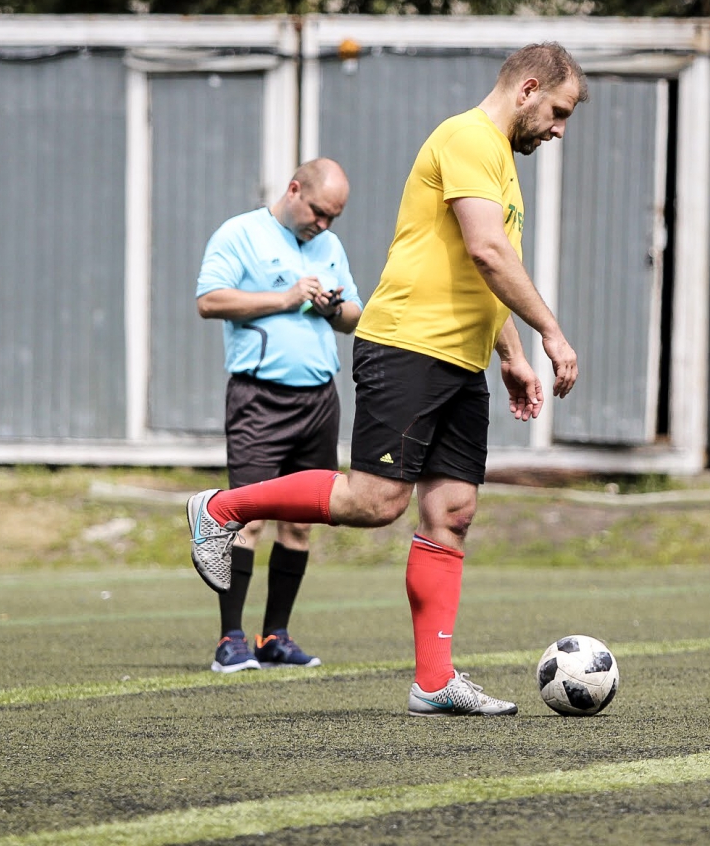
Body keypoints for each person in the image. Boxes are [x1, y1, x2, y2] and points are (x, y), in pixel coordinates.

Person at [185, 42, 585, 715]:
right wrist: (550, 330)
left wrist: (509, 353)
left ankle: (434, 679)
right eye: (559, 111)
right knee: (376, 501)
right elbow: (488, 250)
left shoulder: (502, 166)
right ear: (529, 88)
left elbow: (485, 268)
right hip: (407, 345)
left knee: (452, 512)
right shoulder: (466, 137)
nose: (558, 129)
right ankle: (222, 509)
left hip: (459, 358)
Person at [193, 158, 362, 673]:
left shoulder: (329, 247)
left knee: (300, 525)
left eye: (335, 216)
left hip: (318, 400)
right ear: (293, 190)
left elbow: (356, 317)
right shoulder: (240, 233)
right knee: (246, 520)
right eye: (319, 212)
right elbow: (209, 300)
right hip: (259, 401)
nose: (325, 225)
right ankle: (231, 640)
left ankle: (275, 636)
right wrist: (287, 297)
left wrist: (332, 306)